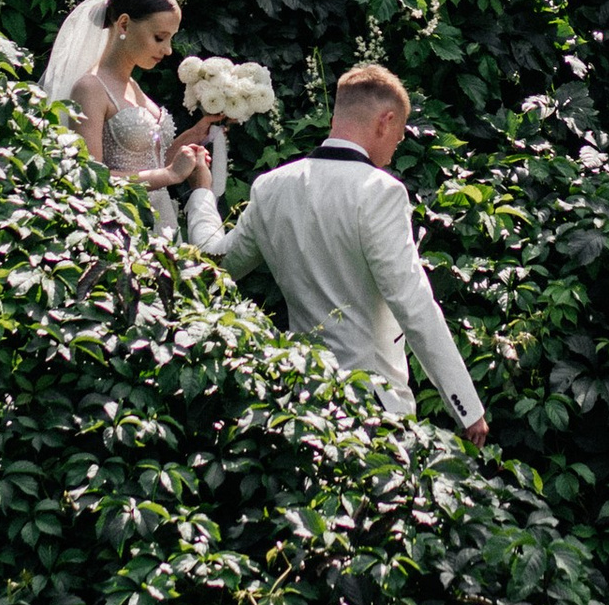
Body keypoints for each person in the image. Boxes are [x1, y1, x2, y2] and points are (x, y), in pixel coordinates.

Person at [192, 63, 489, 445]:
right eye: (398, 138)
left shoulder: (271, 187)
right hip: (373, 407)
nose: (394, 150)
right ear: (386, 121)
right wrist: (467, 405)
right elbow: (413, 302)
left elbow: (215, 262)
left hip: (300, 402)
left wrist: (201, 192)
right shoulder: (381, 192)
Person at [42, 0, 220, 244]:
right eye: (160, 37)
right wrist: (170, 175)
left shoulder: (133, 86)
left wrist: (192, 137)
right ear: (124, 23)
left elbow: (149, 161)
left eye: (170, 38)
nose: (168, 50)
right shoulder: (91, 88)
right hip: (120, 231)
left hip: (163, 224)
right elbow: (90, 179)